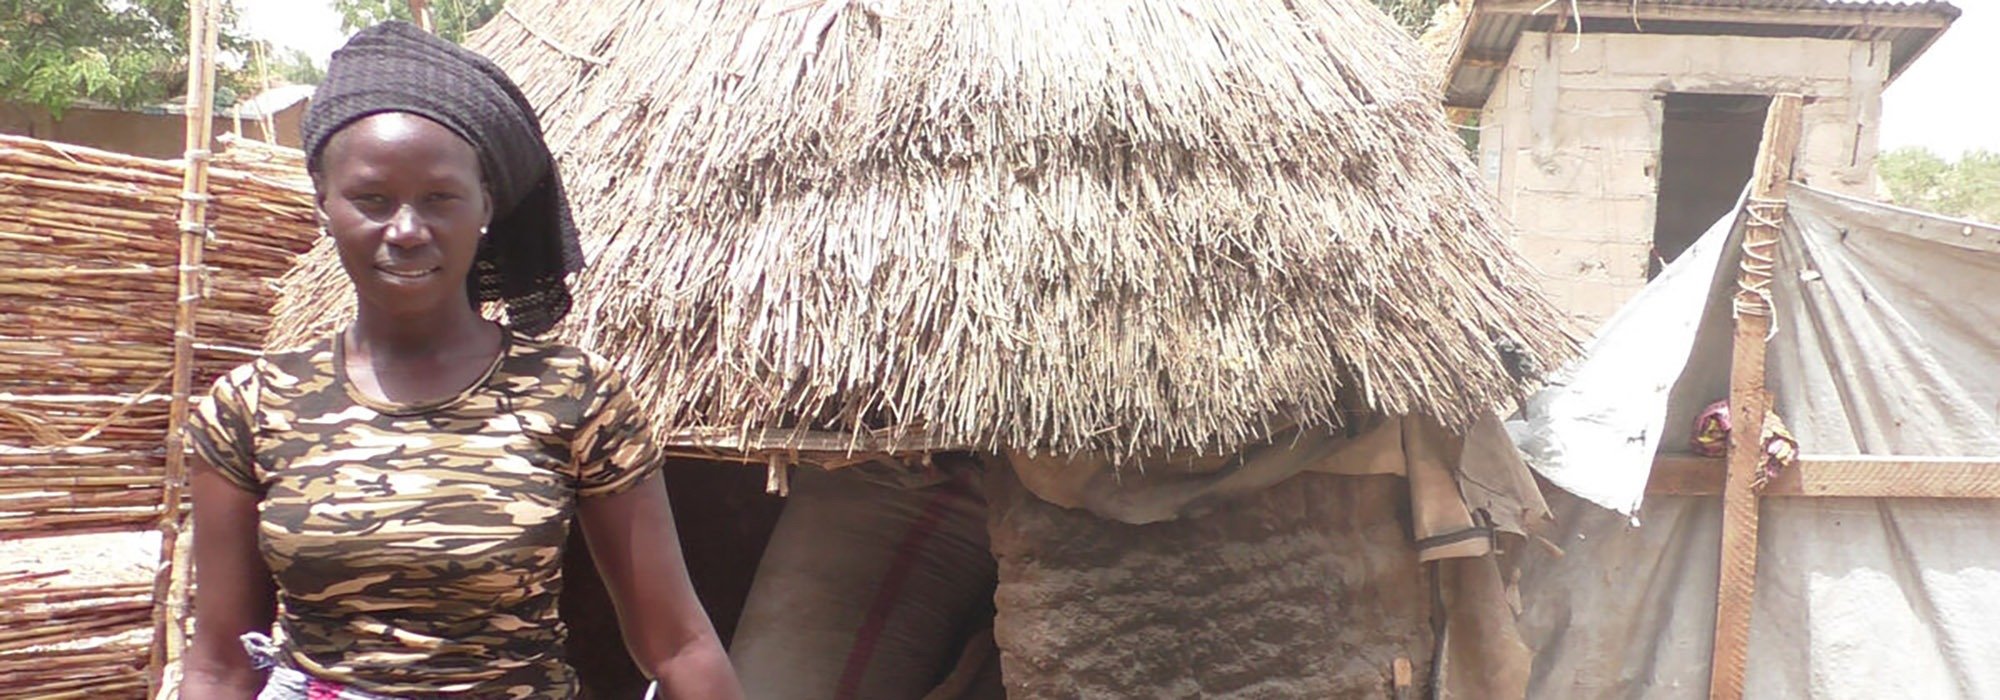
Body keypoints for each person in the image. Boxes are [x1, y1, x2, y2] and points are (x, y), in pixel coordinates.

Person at [179, 22, 742, 700]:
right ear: (324, 204)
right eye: (373, 200)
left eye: (440, 199)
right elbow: (219, 662)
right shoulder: (253, 406)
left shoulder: (574, 398)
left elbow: (677, 643)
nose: (408, 230)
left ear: (485, 206)